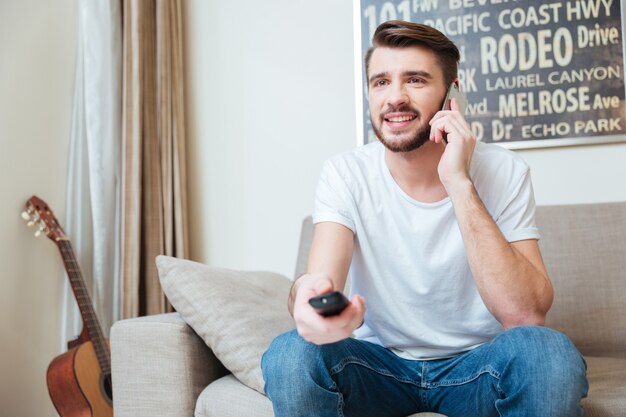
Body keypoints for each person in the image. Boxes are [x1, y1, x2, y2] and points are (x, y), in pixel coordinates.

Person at [261, 20, 588, 417]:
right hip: (376, 367)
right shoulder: (344, 173)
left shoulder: (504, 171)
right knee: (290, 352)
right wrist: (309, 298)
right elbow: (317, 285)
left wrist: (459, 182)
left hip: (477, 367)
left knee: (546, 350)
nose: (394, 97)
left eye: (415, 80)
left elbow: (525, 315)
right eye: (380, 82)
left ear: (452, 94)